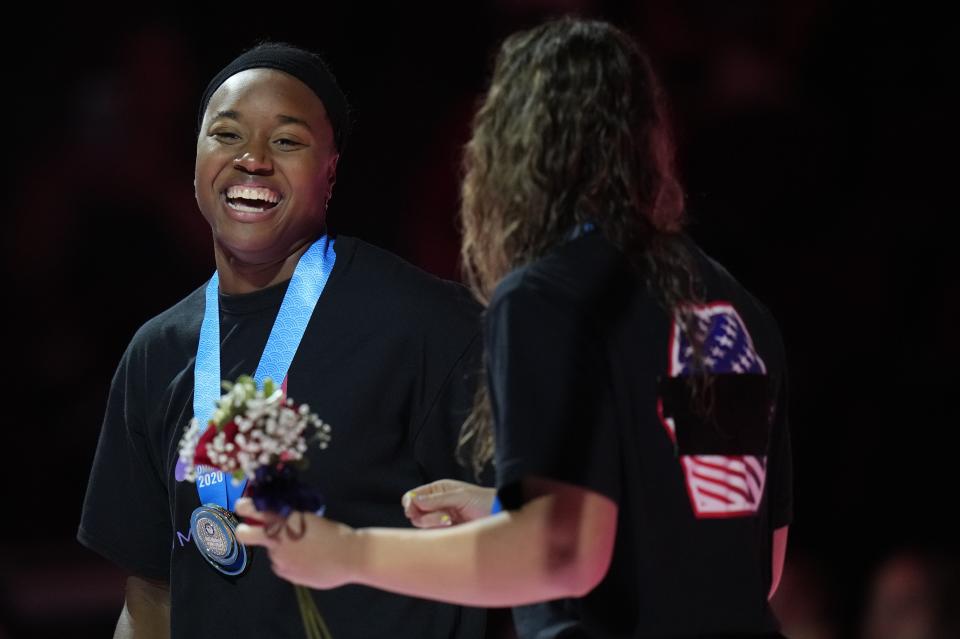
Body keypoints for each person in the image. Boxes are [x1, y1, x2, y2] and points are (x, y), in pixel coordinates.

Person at [236, 18, 793, 638]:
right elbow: (749, 563)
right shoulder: (735, 306)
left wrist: (346, 552)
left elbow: (561, 556)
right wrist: (507, 510)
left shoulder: (549, 295)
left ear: (517, 146)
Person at [78, 42, 488, 639]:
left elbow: (527, 549)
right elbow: (149, 601)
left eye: (287, 141)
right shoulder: (157, 353)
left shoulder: (427, 328)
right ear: (195, 159)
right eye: (226, 135)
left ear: (331, 169)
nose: (252, 159)